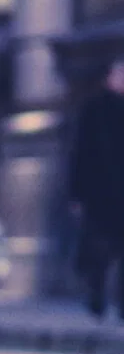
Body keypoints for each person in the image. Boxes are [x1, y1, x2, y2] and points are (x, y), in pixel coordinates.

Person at [69, 57, 124, 320]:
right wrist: (77, 194)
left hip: (116, 193)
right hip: (100, 193)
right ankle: (97, 296)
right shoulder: (93, 110)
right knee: (100, 251)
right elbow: (81, 154)